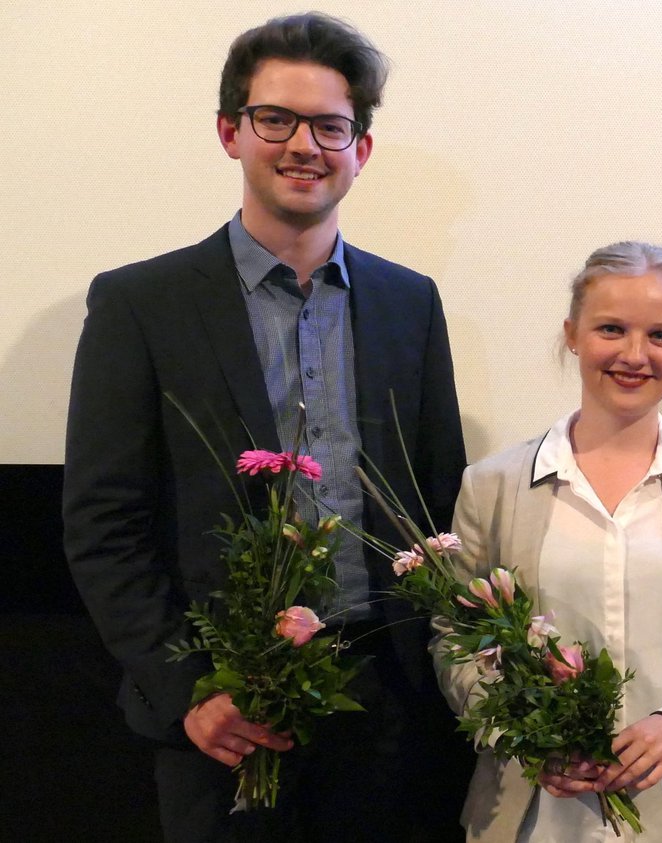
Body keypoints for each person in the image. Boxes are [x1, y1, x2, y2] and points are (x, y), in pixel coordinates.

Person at [61, 13, 471, 842]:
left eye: (330, 125)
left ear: (360, 148)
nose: (302, 145)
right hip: (223, 709)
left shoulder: (409, 302)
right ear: (229, 132)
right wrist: (192, 693)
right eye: (274, 119)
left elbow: (436, 500)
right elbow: (104, 524)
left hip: (384, 705)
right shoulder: (141, 304)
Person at [435, 241, 662, 842]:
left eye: (660, 335)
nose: (635, 354)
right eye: (611, 329)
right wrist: (526, 734)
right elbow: (455, 642)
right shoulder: (491, 486)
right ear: (573, 333)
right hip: (534, 816)